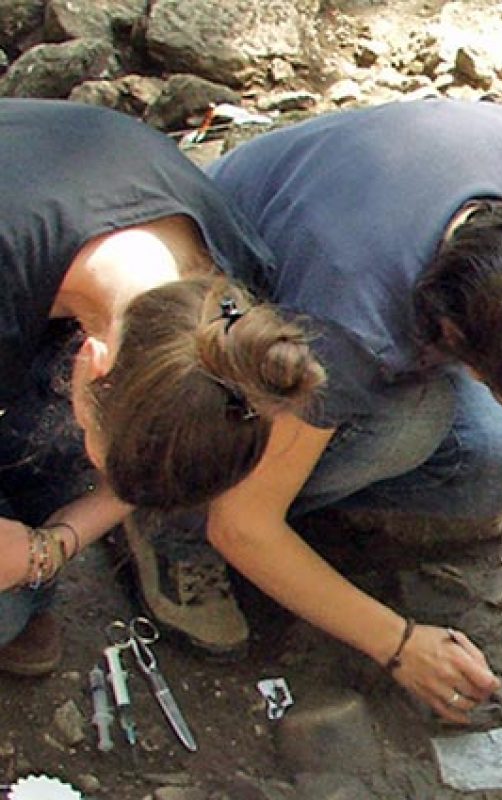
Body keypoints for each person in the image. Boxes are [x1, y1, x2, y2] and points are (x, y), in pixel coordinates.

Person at [109, 98, 502, 721]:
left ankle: (298, 497)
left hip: (347, 272)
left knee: (498, 461)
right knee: (412, 425)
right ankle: (172, 523)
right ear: (456, 339)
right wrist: (400, 643)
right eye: (501, 386)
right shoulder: (346, 330)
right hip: (211, 336)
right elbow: (241, 525)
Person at [0, 99, 322, 677]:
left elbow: (143, 475)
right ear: (91, 363)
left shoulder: (230, 321)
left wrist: (52, 548)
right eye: (100, 451)